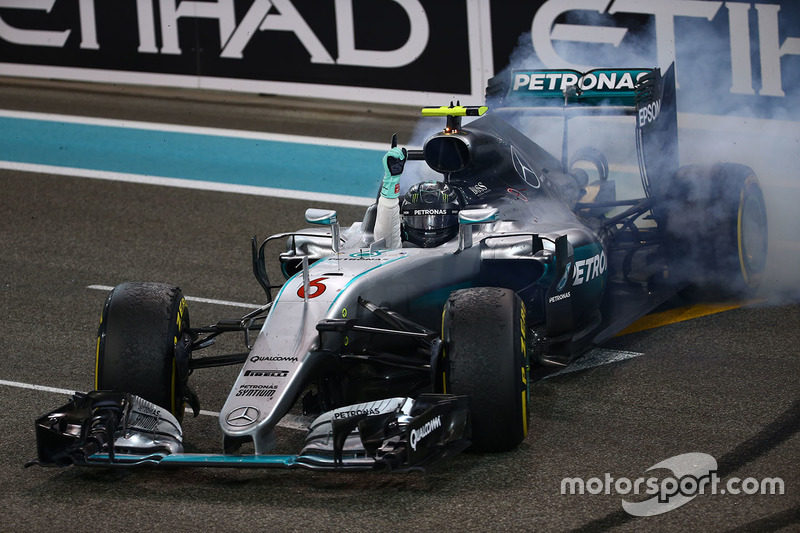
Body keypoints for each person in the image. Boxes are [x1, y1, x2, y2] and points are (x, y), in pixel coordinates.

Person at [373, 147, 463, 248]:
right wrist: (391, 183)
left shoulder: (469, 245)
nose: (429, 227)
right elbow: (386, 244)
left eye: (438, 221)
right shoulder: (397, 253)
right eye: (420, 221)